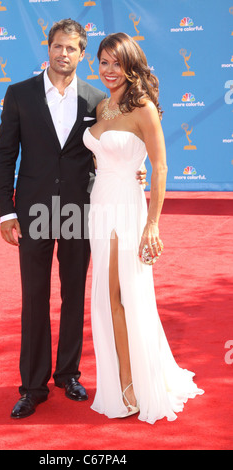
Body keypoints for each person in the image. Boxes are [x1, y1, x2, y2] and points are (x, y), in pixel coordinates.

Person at [0, 20, 146, 419]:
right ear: (48, 48)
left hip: (82, 209)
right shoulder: (20, 94)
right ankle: (32, 385)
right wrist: (5, 211)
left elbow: (108, 149)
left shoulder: (96, 99)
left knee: (75, 293)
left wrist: (134, 170)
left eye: (72, 48)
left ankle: (68, 374)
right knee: (34, 295)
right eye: (57, 46)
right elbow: (5, 154)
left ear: (82, 54)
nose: (64, 54)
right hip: (33, 211)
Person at [83, 33, 204, 424]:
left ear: (132, 65)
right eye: (103, 62)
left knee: (118, 295)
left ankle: (131, 384)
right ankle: (122, 379)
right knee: (104, 297)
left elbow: (161, 167)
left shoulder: (144, 108)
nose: (109, 70)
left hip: (127, 209)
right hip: (99, 205)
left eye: (117, 63)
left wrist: (153, 223)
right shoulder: (101, 106)